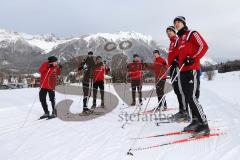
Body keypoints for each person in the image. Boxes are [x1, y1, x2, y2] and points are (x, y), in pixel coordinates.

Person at [174, 16, 209, 136]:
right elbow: (183, 54)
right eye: (175, 23)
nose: (177, 24)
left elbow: (204, 46)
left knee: (192, 97)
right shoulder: (179, 39)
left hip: (192, 70)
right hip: (183, 71)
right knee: (188, 97)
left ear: (183, 23)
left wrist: (193, 58)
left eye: (179, 22)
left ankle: (204, 124)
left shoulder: (191, 33)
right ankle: (195, 121)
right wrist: (177, 60)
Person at [166, 26, 188, 122]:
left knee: (180, 89)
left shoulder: (177, 40)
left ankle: (185, 112)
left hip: (177, 67)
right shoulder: (171, 42)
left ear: (174, 32)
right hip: (172, 68)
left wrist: (177, 60)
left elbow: (182, 50)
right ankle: (181, 111)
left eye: (170, 31)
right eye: (167, 32)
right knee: (176, 90)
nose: (169, 33)